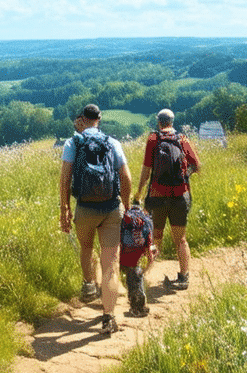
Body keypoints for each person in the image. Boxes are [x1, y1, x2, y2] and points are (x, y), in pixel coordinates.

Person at [59, 103, 132, 336]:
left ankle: (89, 284)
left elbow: (65, 177)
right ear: (99, 119)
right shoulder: (113, 143)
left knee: (87, 247)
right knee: (111, 263)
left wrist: (64, 208)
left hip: (85, 209)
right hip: (111, 208)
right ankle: (109, 317)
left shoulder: (74, 142)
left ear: (83, 119)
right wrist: (127, 204)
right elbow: (126, 177)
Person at [133, 108, 200, 291]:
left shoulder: (153, 139)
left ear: (158, 121)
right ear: (172, 121)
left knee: (155, 239)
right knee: (181, 240)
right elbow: (197, 165)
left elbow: (146, 170)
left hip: (157, 197)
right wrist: (184, 176)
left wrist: (138, 193)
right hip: (180, 196)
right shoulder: (182, 139)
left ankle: (142, 277)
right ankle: (184, 278)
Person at [120, 204, 156, 317]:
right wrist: (150, 260)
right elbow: (149, 246)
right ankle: (139, 306)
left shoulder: (123, 221)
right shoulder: (146, 221)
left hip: (123, 255)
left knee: (130, 280)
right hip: (137, 258)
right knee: (137, 278)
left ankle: (135, 305)